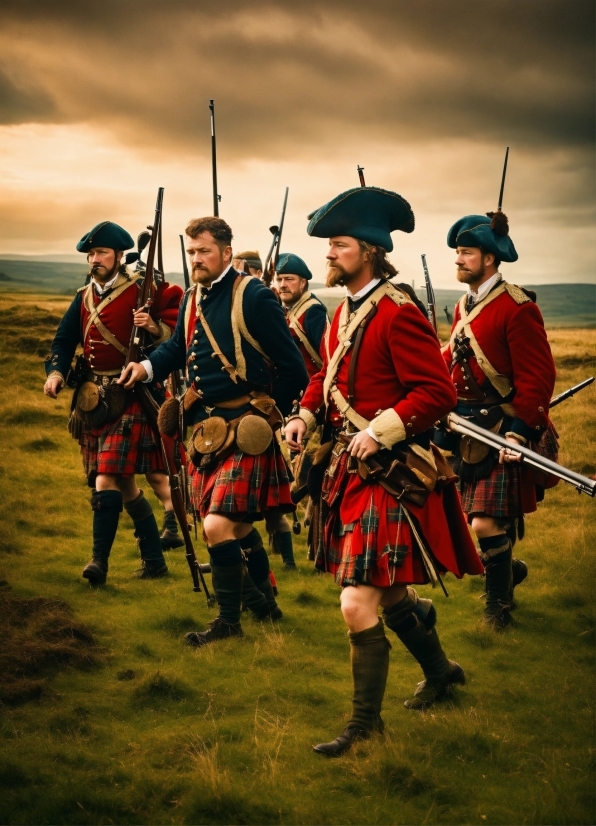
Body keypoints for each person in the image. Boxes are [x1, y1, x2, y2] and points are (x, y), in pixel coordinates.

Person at [284, 186, 483, 757]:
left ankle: (364, 724)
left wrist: (380, 429)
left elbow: (437, 391)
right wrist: (303, 412)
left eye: (339, 245)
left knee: (356, 603)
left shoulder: (398, 312)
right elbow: (328, 375)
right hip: (347, 468)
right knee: (392, 596)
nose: (329, 254)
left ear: (369, 250)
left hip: (388, 469)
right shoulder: (344, 311)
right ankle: (442, 672)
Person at [119, 216, 309, 645]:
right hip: (209, 431)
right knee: (236, 527)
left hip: (246, 430)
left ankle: (229, 622)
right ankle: (267, 603)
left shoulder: (255, 297)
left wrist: (267, 414)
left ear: (226, 251)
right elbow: (178, 348)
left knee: (216, 526)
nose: (196, 259)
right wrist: (146, 366)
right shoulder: (192, 298)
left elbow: (294, 368)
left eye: (204, 251)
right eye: (191, 252)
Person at [43, 221, 184, 584]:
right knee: (124, 486)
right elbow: (62, 342)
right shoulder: (83, 296)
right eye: (90, 254)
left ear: (120, 256)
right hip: (93, 400)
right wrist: (56, 373)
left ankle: (98, 564)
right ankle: (155, 561)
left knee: (106, 478)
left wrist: (152, 327)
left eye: (101, 253)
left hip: (132, 394)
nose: (95, 260)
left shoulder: (144, 290)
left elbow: (177, 337)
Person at [439, 210, 558, 629]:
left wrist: (521, 433)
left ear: (489, 259)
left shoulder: (517, 307)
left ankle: (498, 609)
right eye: (457, 252)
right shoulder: (462, 306)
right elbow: (454, 364)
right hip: (469, 431)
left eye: (466, 253)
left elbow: (538, 377)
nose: (458, 259)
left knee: (485, 521)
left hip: (505, 427)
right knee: (477, 522)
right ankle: (508, 571)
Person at [273, 252, 330, 565]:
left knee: (310, 474)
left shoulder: (312, 312)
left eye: (289, 279)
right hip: (292, 404)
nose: (283, 284)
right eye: (280, 279)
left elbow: (326, 358)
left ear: (303, 282)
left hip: (315, 404)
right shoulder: (284, 311)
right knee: (298, 471)